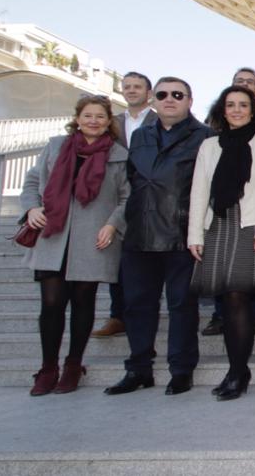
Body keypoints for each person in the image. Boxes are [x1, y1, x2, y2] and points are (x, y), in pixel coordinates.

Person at [105, 77, 210, 396]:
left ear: (189, 101)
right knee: (137, 305)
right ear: (153, 100)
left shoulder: (205, 137)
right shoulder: (140, 137)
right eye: (162, 94)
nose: (169, 99)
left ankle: (181, 370)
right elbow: (131, 180)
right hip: (140, 234)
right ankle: (139, 369)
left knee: (182, 306)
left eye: (177, 95)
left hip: (181, 235)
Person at [22, 96, 129, 396]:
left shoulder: (118, 156)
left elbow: (127, 197)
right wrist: (32, 209)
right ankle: (47, 368)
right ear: (77, 118)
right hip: (53, 236)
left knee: (83, 303)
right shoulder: (56, 147)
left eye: (100, 116)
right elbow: (31, 183)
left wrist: (112, 224)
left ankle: (73, 365)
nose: (93, 121)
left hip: (93, 239)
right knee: (52, 303)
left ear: (109, 122)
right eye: (88, 115)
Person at [186, 86, 255, 401]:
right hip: (218, 224)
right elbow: (199, 191)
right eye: (231, 105)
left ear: (253, 110)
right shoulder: (209, 145)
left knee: (239, 297)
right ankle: (235, 369)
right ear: (222, 110)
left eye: (243, 105)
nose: (237, 110)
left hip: (251, 225)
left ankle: (239, 372)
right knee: (226, 302)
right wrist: (195, 235)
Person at [93, 71, 154, 339]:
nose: (131, 90)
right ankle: (118, 315)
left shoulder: (160, 118)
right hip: (118, 196)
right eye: (127, 86)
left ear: (148, 92)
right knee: (119, 258)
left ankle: (144, 311)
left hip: (152, 197)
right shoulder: (112, 123)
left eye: (137, 86)